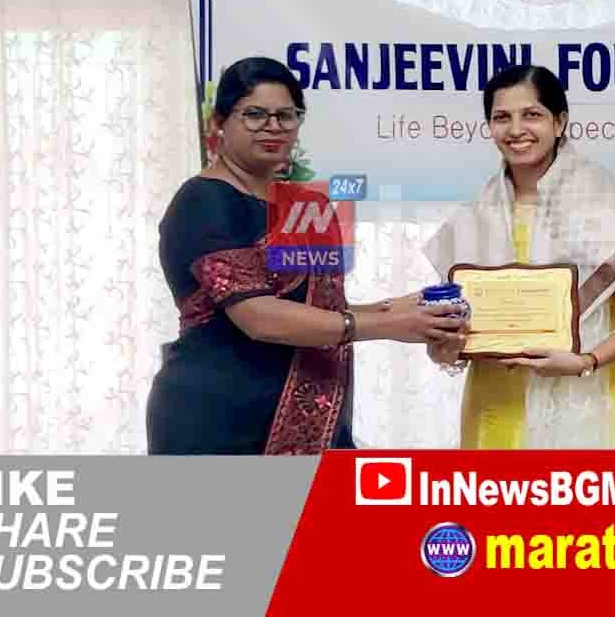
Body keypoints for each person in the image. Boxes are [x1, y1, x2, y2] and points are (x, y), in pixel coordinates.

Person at [149, 56, 465, 455]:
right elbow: (259, 316)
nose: (272, 126)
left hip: (312, 422)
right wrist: (388, 324)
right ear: (219, 123)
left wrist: (394, 308)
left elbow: (310, 310)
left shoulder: (302, 205)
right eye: (254, 114)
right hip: (220, 423)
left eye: (286, 115)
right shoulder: (203, 201)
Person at [422, 65, 615, 449]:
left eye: (532, 115)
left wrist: (587, 361)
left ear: (559, 123)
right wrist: (445, 346)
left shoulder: (607, 205)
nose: (516, 130)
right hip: (499, 421)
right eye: (502, 117)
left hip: (595, 415)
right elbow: (458, 326)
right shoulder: (475, 219)